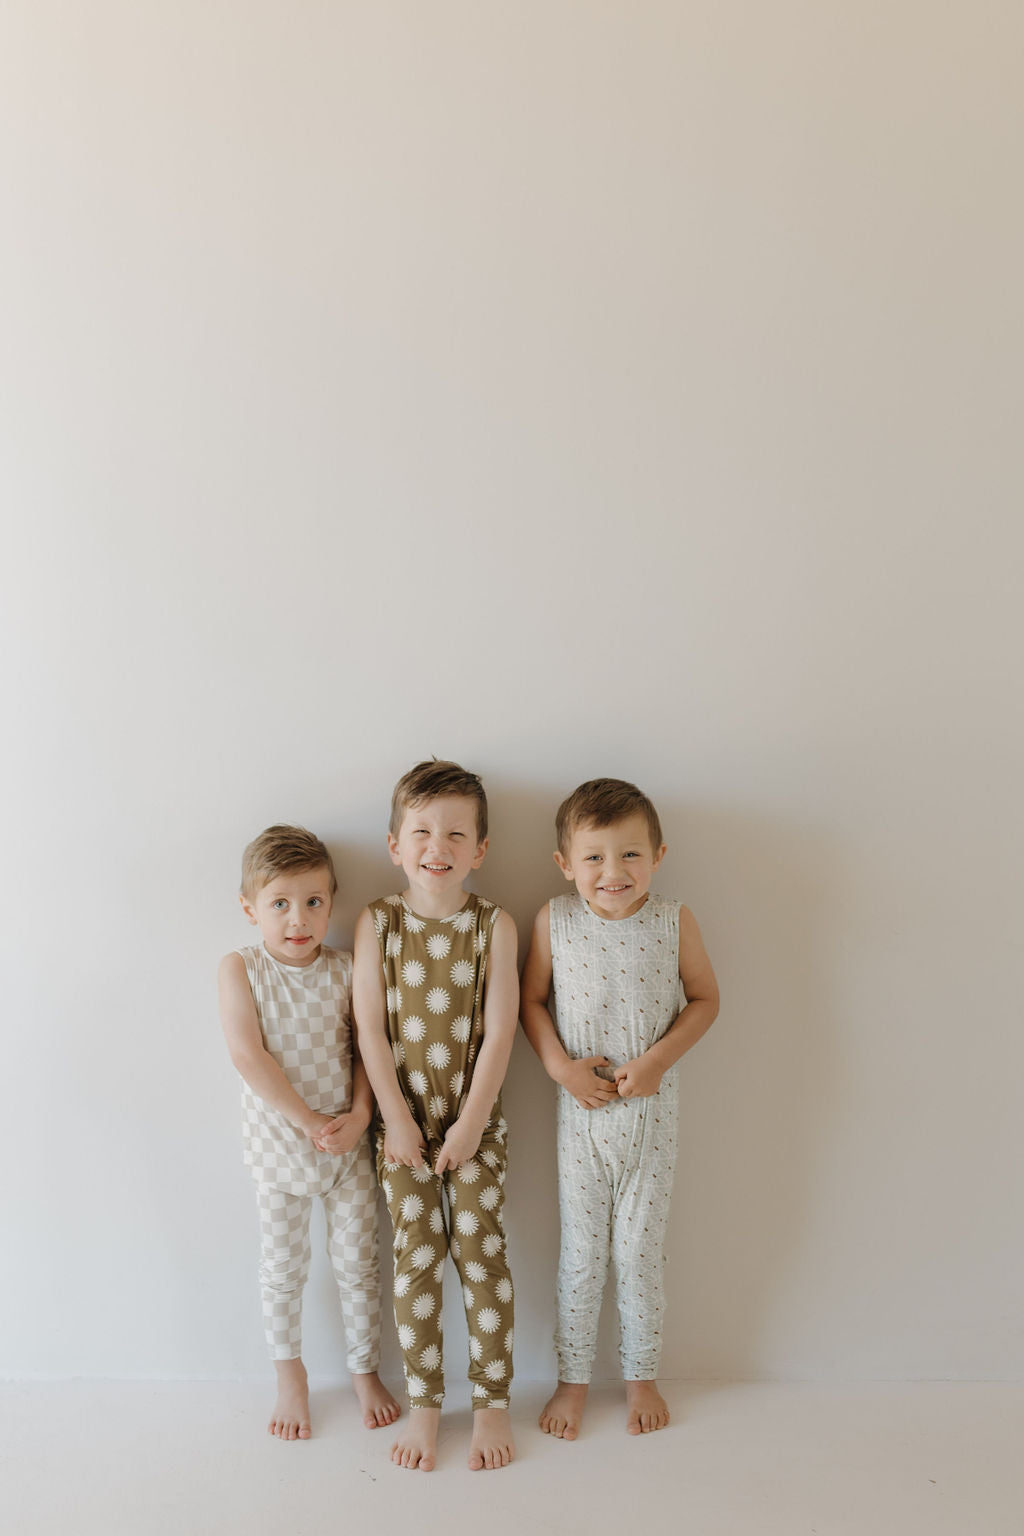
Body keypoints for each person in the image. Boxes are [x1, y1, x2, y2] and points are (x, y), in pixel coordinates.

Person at [521, 778, 719, 1439]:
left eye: (631, 854)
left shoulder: (673, 920)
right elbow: (531, 1001)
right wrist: (560, 1068)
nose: (614, 871)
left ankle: (642, 1377)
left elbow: (705, 999)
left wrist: (659, 1059)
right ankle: (571, 1381)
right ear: (566, 864)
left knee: (638, 1255)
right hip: (582, 1119)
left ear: (658, 856)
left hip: (650, 1120)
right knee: (582, 1255)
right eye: (595, 857)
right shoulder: (555, 920)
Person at [354, 760, 518, 1472]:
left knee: (482, 1256)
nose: (437, 847)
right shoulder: (378, 923)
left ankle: (491, 1403)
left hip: (475, 1124)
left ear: (479, 849)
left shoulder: (494, 925)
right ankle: (425, 1403)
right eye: (421, 832)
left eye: (455, 834)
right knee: (416, 1258)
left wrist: (473, 1121)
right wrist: (394, 1118)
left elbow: (501, 1030)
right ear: (395, 845)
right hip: (402, 1127)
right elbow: (368, 1028)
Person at [218, 824, 399, 1441]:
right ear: (251, 908)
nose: (298, 919)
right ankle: (289, 1375)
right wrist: (309, 1121)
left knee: (358, 1264)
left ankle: (364, 1371)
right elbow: (248, 1055)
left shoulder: (345, 969)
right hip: (279, 1153)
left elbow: (367, 1049)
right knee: (283, 1267)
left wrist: (360, 1115)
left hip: (347, 1149)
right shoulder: (241, 969)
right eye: (279, 903)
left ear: (331, 902)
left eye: (313, 901)